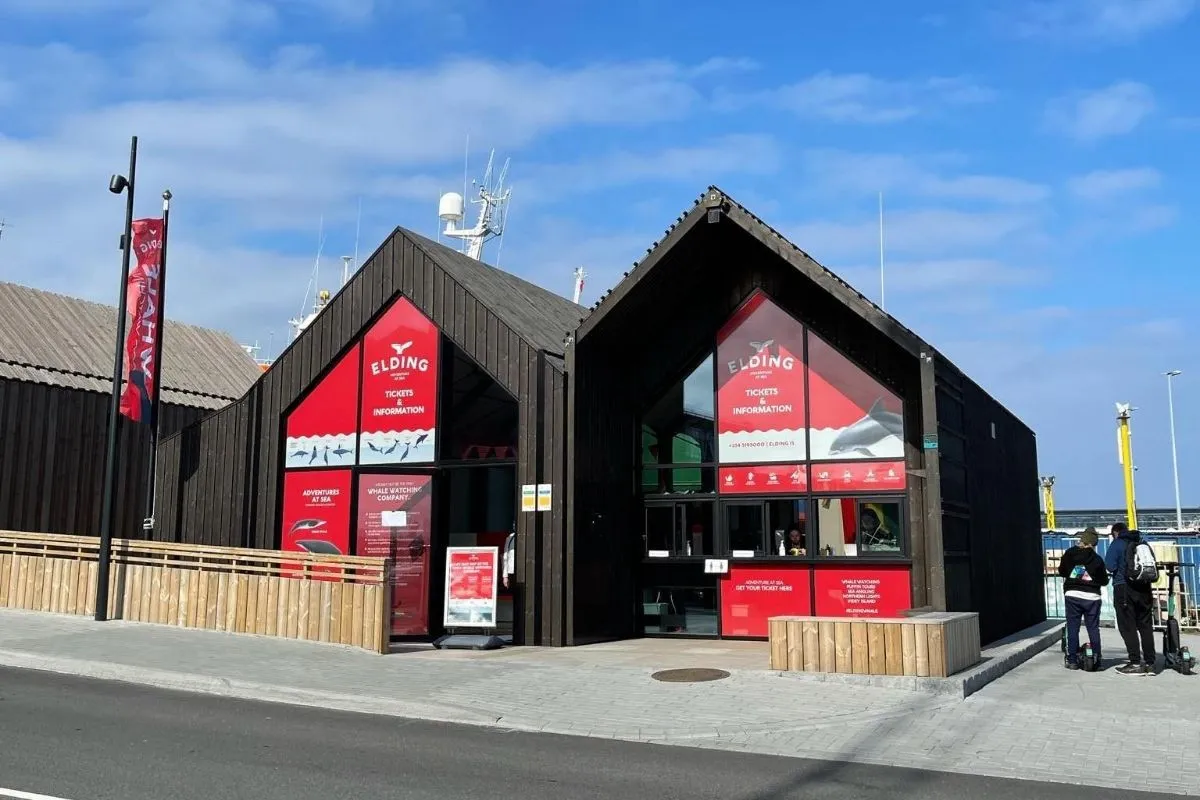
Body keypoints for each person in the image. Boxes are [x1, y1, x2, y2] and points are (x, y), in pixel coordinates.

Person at [1104, 523, 1157, 675]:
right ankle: (1150, 663)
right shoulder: (1142, 542)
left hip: (1124, 588)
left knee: (1128, 626)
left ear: (1115, 532)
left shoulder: (1117, 543)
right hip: (1144, 588)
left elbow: (1110, 566)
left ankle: (1135, 663)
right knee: (1145, 626)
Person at [1056, 527, 1108, 670]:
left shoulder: (1069, 554)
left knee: (1073, 627)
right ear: (1093, 544)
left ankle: (1072, 660)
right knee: (1093, 628)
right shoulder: (1097, 559)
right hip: (1092, 597)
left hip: (1072, 595)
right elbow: (1104, 581)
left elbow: (1062, 571)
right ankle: (1097, 658)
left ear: (1082, 540)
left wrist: (1075, 574)